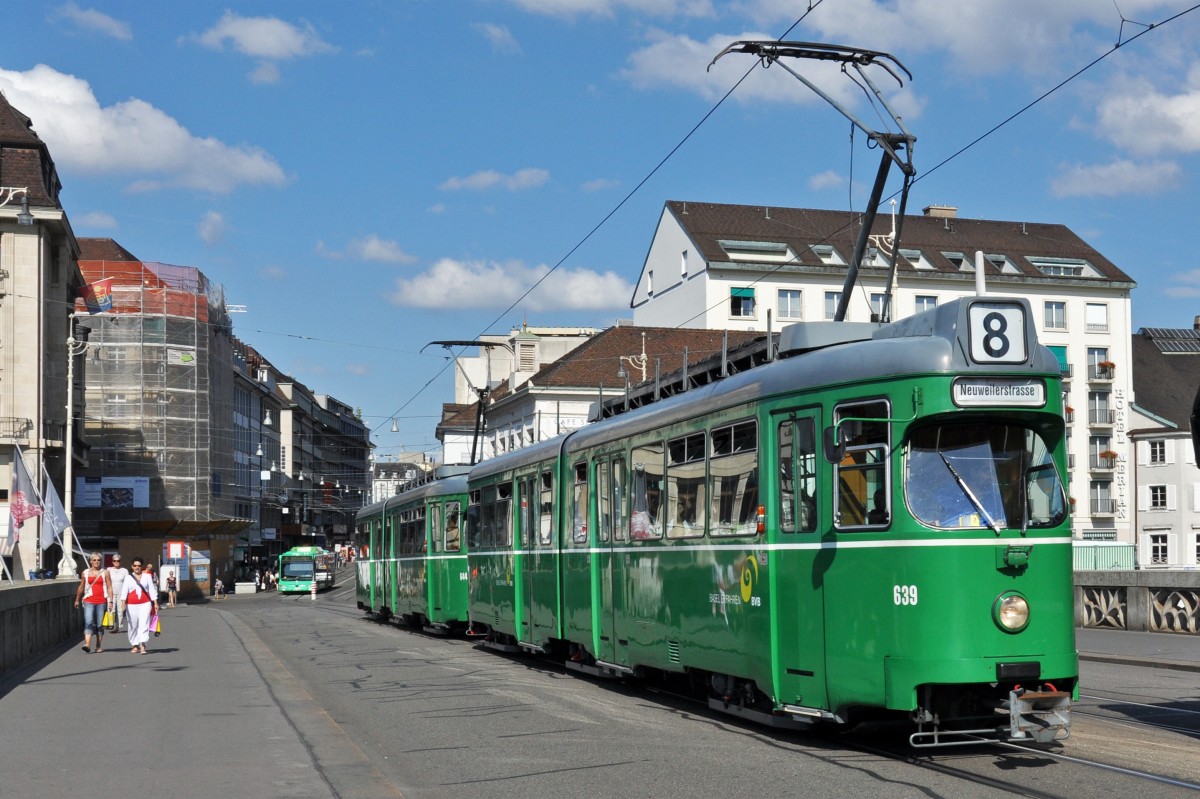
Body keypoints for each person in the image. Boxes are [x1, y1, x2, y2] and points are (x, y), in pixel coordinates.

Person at [74, 553, 110, 653]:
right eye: (94, 560)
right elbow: (81, 586)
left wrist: (110, 601)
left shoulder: (105, 572)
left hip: (101, 601)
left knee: (99, 624)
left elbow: (109, 586)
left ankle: (98, 645)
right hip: (88, 600)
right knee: (88, 622)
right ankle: (87, 644)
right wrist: (77, 599)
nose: (96, 562)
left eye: (98, 560)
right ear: (90, 561)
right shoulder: (85, 572)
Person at [121, 558, 158, 654]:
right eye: (135, 566)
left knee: (144, 624)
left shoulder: (147, 577)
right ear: (132, 566)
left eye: (139, 566)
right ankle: (134, 643)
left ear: (142, 567)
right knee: (133, 625)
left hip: (145, 604)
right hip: (131, 605)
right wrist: (123, 602)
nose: (137, 567)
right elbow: (124, 590)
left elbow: (151, 590)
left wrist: (155, 602)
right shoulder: (128, 578)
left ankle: (142, 644)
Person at [105, 554, 129, 632]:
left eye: (118, 561)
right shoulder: (109, 569)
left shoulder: (124, 570)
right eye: (114, 561)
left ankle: (118, 626)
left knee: (120, 610)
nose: (116, 562)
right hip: (111, 592)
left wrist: (126, 594)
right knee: (111, 609)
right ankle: (112, 625)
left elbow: (127, 582)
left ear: (120, 561)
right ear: (112, 561)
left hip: (121, 592)